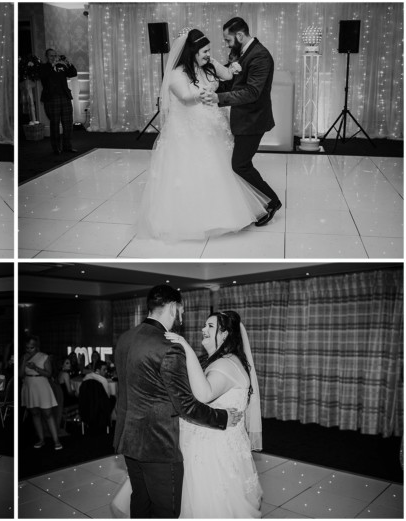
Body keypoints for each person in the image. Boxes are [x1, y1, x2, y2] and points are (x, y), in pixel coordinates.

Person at [111, 284, 242, 518]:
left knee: (140, 502)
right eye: (181, 311)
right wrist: (223, 417)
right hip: (158, 446)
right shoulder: (168, 346)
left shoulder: (124, 338)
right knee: (166, 510)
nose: (182, 317)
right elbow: (187, 406)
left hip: (127, 439)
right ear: (173, 307)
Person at [136, 28, 269, 243]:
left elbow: (226, 75)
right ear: (192, 52)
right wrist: (208, 90)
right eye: (205, 51)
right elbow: (187, 98)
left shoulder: (208, 65)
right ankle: (194, 220)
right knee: (191, 170)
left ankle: (226, 214)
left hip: (210, 125)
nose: (209, 54)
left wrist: (231, 68)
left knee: (221, 166)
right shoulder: (176, 74)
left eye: (209, 50)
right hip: (188, 129)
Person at [163, 310, 263, 517]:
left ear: (225, 334)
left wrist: (187, 349)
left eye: (210, 326)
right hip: (216, 440)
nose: (203, 330)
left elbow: (203, 394)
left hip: (212, 449)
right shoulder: (218, 361)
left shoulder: (225, 364)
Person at [202, 17, 282, 227]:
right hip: (242, 118)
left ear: (239, 35)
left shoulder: (261, 56)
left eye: (228, 40)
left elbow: (252, 92)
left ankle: (272, 201)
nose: (227, 44)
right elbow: (232, 78)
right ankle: (253, 202)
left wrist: (219, 98)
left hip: (253, 120)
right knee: (241, 163)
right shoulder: (241, 52)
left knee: (240, 165)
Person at [21, 335, 62, 451]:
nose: (29, 350)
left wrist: (35, 368)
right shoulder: (24, 357)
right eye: (27, 347)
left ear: (37, 347)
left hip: (42, 385)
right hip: (29, 386)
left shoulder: (44, 357)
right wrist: (24, 361)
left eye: (32, 347)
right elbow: (20, 375)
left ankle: (56, 441)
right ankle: (41, 439)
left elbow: (49, 374)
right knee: (35, 414)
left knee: (48, 414)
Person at [39, 49, 78, 155]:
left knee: (68, 123)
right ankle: (56, 148)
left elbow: (73, 73)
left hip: (64, 97)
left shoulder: (62, 66)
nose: (54, 57)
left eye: (55, 55)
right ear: (46, 56)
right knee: (55, 124)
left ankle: (67, 146)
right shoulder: (43, 67)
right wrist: (52, 65)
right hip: (52, 99)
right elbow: (43, 76)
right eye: (51, 56)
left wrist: (68, 63)